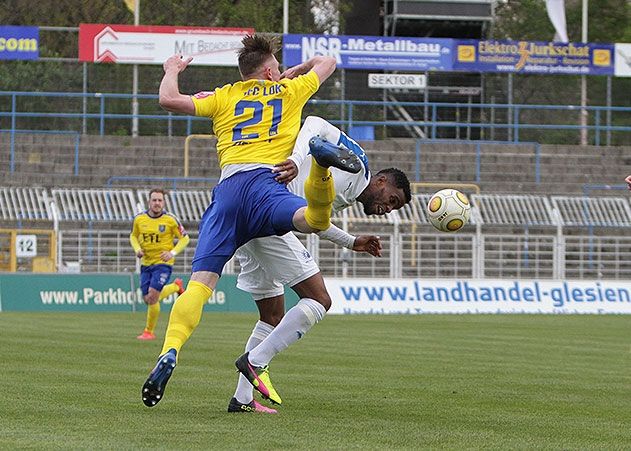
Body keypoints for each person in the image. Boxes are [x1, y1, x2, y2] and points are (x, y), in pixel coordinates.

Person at [142, 34, 365, 408]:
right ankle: (321, 169)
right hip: (266, 186)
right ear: (267, 70)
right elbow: (328, 62)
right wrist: (299, 70)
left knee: (199, 285)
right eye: (276, 68)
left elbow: (168, 99)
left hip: (227, 192)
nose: (280, 72)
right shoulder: (289, 91)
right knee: (310, 220)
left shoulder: (224, 95)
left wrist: (171, 69)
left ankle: (170, 351)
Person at [228, 116, 411, 413]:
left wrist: (351, 241)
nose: (386, 209)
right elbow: (314, 123)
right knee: (319, 299)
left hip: (251, 210)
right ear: (380, 181)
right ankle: (255, 362)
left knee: (272, 313)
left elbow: (316, 220)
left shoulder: (351, 187)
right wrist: (297, 159)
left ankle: (242, 399)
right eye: (391, 199)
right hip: (265, 212)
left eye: (393, 208)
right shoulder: (355, 166)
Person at [130, 188, 190, 340]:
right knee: (147, 299)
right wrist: (137, 249)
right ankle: (176, 286)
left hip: (163, 263)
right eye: (154, 200)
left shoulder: (170, 220)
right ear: (149, 202)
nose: (157, 203)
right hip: (146, 263)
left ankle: (148, 332)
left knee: (152, 297)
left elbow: (185, 238)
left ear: (164, 202)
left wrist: (172, 253)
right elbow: (133, 236)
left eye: (160, 200)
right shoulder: (139, 219)